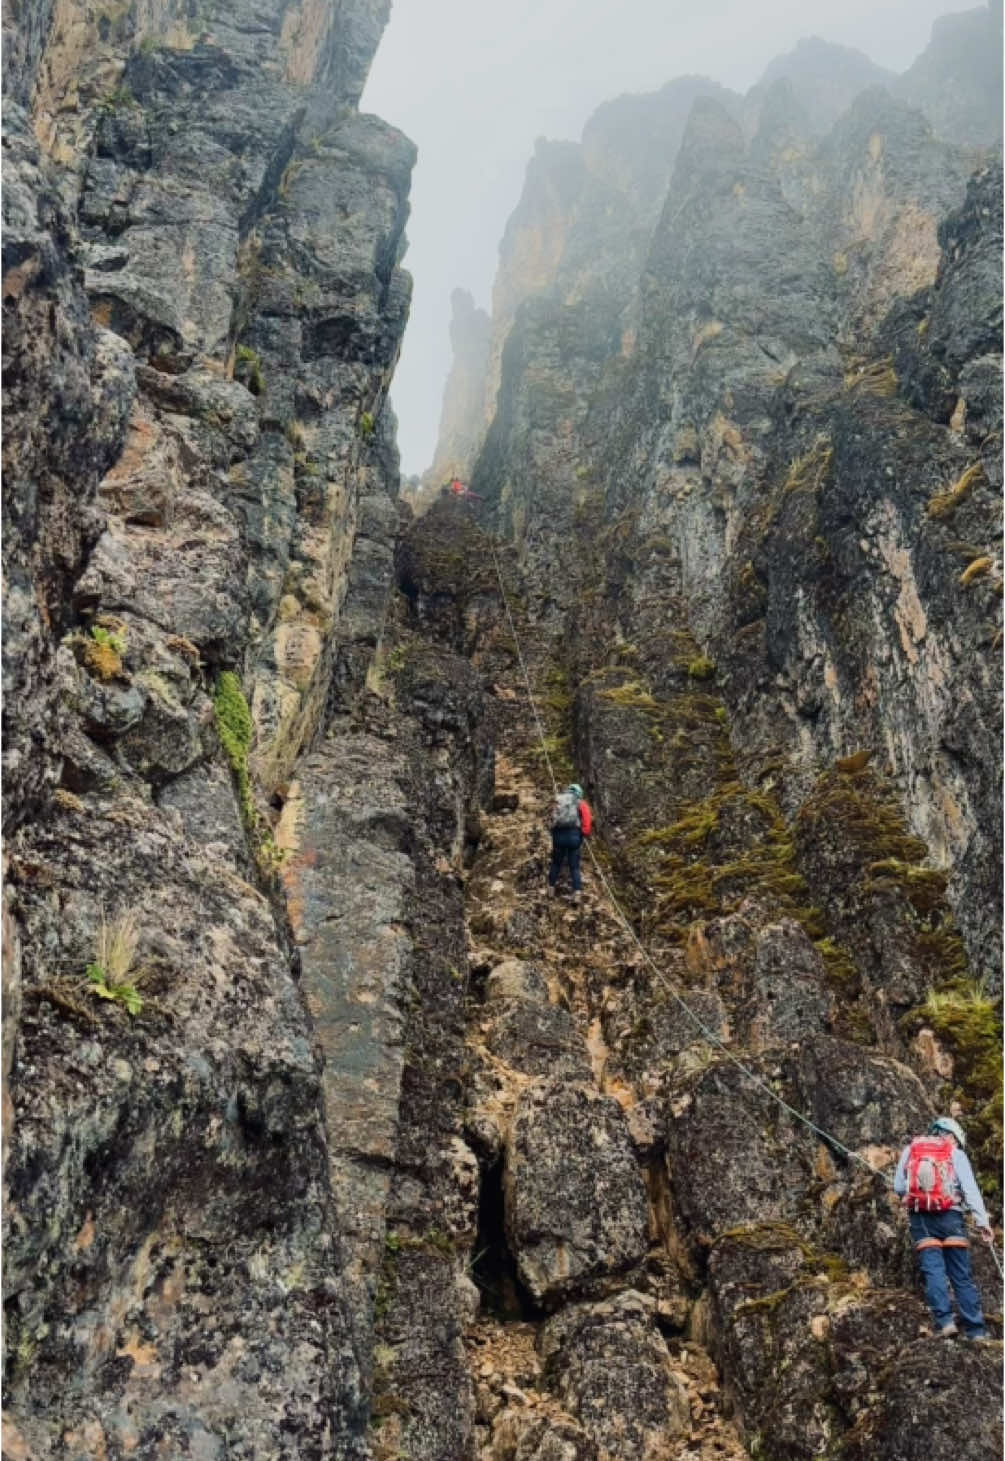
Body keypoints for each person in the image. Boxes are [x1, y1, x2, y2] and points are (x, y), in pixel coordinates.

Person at [893, 1116, 994, 1340]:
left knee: (934, 1271)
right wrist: (982, 1223)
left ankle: (946, 1322)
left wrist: (908, 1197)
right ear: (951, 1136)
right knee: (961, 1276)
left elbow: (899, 1186)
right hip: (952, 1217)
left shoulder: (912, 1150)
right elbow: (970, 1191)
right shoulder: (956, 1155)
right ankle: (976, 1330)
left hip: (921, 1218)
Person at [548, 782, 593, 902]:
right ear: (579, 793)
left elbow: (552, 817)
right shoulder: (580, 803)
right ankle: (577, 893)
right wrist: (583, 833)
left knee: (556, 863)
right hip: (574, 837)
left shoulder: (559, 799)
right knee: (574, 867)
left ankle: (551, 889)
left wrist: (552, 831)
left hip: (558, 836)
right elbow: (587, 822)